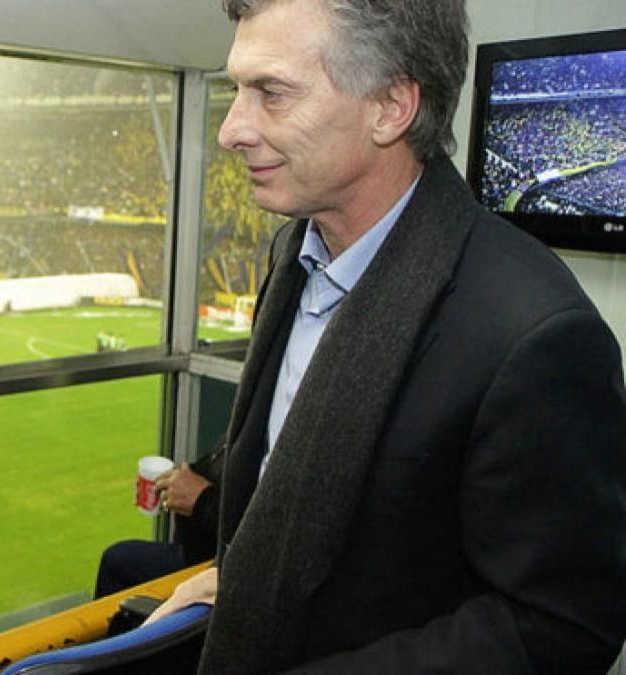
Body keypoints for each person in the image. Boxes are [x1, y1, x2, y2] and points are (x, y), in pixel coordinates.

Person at [149, 0, 626, 673]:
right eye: (237, 90)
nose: (232, 130)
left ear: (392, 107)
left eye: (272, 93)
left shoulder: (534, 334)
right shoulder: (291, 254)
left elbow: (558, 627)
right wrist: (240, 578)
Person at [94, 457, 221, 598]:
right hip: (202, 555)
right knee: (117, 560)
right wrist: (174, 482)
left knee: (115, 562)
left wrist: (202, 498)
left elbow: (237, 530)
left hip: (215, 570)